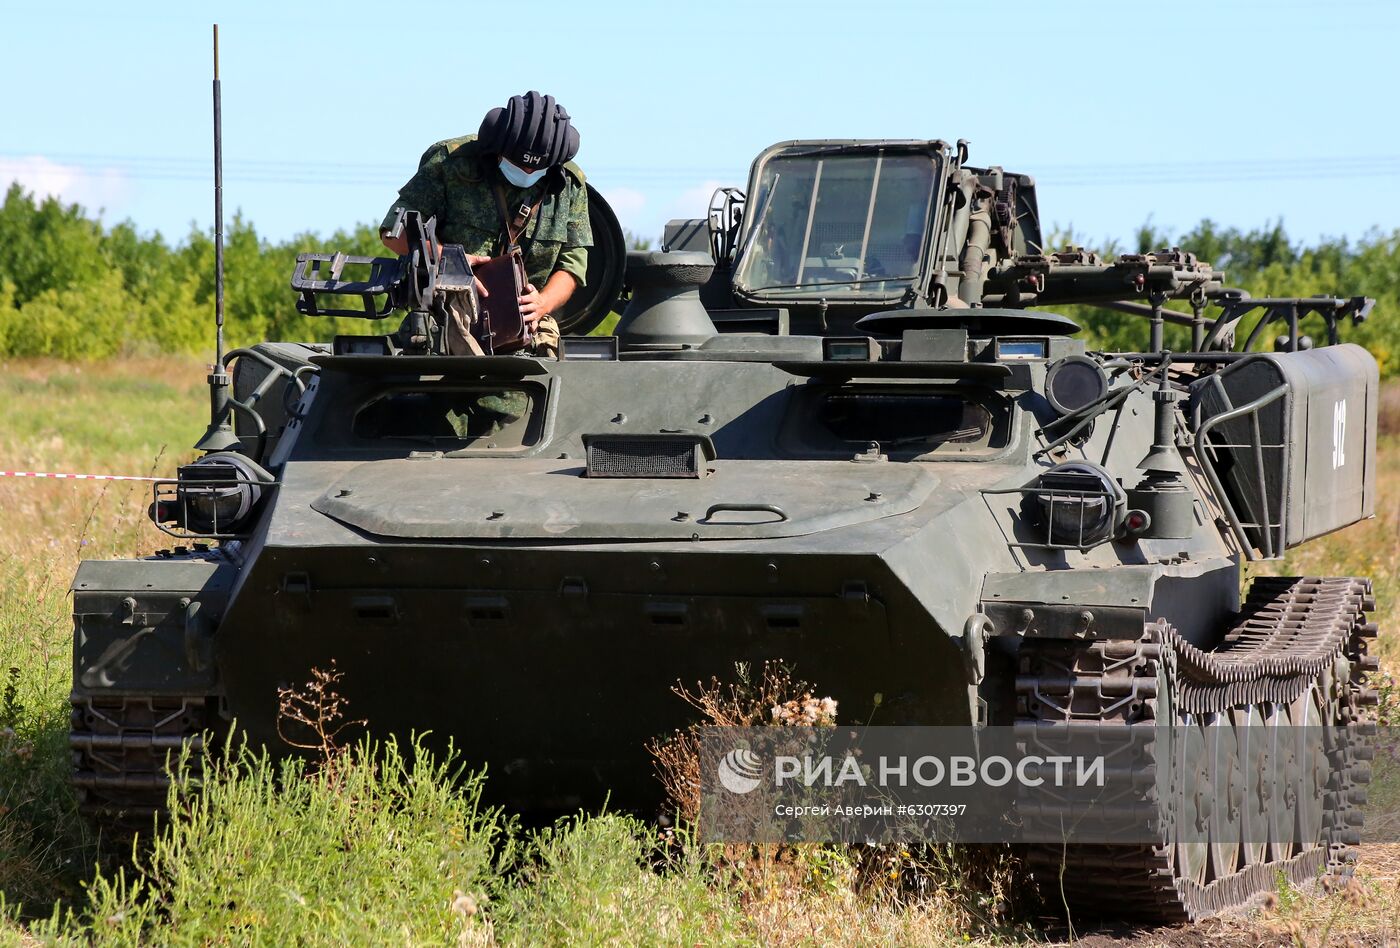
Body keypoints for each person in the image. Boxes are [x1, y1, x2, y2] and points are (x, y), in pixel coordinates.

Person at [380, 91, 593, 356]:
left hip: (524, 341)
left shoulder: (569, 185)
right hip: (444, 336)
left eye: (536, 169)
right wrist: (448, 260)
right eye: (519, 163)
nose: (527, 172)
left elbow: (573, 264)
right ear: (498, 147)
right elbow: (393, 233)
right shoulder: (451, 163)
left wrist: (542, 303)